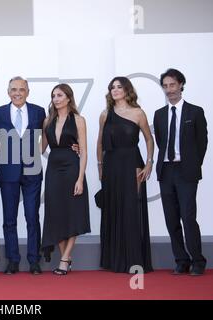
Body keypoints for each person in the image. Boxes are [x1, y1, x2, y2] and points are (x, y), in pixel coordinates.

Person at [96, 76, 154, 273]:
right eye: (112, 87)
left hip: (132, 165)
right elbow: (100, 143)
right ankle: (115, 261)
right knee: (113, 209)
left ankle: (134, 261)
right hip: (111, 166)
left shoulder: (138, 113)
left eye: (119, 87)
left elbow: (148, 139)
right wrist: (100, 166)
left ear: (127, 90)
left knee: (131, 211)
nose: (115, 90)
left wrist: (149, 163)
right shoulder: (105, 114)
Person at [153, 68, 208, 276]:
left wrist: (192, 165)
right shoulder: (159, 115)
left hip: (186, 172)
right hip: (166, 171)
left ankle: (197, 261)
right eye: (165, 86)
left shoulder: (195, 112)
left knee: (188, 216)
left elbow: (202, 143)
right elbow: (161, 142)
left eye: (173, 85)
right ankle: (181, 260)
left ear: (181, 85)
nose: (169, 90)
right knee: (171, 218)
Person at [0, 76, 46, 275]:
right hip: (8, 172)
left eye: (21, 89)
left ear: (28, 91)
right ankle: (12, 260)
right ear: (8, 92)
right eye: (13, 89)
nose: (17, 93)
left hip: (33, 171)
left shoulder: (39, 112)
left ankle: (34, 261)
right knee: (9, 218)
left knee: (32, 216)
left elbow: (49, 134)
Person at [41, 84, 91, 275]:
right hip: (53, 169)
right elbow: (40, 149)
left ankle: (64, 259)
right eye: (53, 95)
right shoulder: (48, 121)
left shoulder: (78, 120)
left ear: (68, 98)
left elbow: (84, 151)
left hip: (72, 169)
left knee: (73, 212)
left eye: (60, 95)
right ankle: (66, 258)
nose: (56, 99)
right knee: (55, 214)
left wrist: (80, 179)